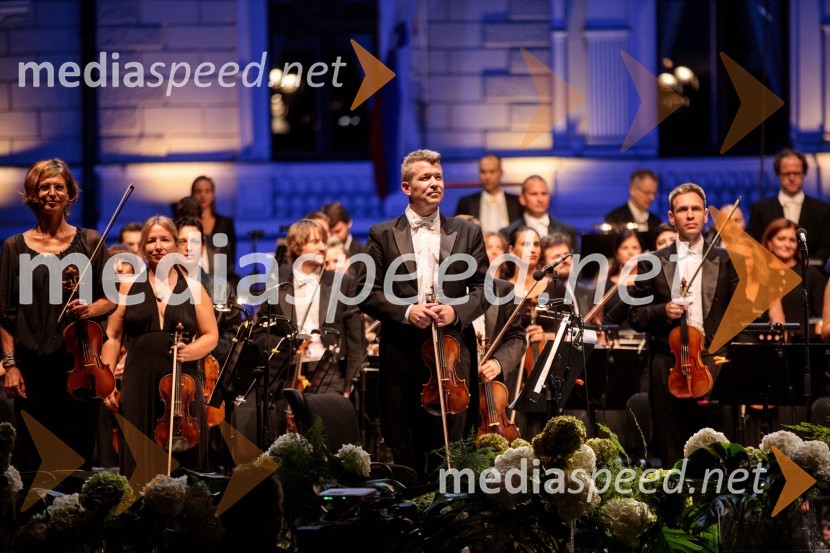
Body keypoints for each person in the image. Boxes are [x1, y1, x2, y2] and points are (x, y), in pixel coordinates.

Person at [359, 149, 487, 481]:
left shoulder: (468, 231)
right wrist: (405, 311)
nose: (434, 183)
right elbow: (366, 291)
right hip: (402, 353)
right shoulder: (382, 234)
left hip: (452, 355)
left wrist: (455, 311)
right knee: (406, 445)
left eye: (438, 177)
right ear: (406, 187)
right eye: (425, 178)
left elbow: (484, 288)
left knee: (452, 449)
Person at [0, 158, 115, 472]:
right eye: (44, 187)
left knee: (77, 459)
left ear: (70, 195)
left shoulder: (91, 242)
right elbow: (5, 315)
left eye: (58, 187)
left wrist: (91, 308)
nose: (51, 192)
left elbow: (111, 298)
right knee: (33, 461)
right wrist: (11, 365)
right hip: (31, 369)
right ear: (33, 195)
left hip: (77, 366)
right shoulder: (13, 247)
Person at [102, 216, 218, 480]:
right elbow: (112, 335)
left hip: (182, 387)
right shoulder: (128, 286)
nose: (158, 246)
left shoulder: (195, 288)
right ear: (142, 248)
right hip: (138, 382)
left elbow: (211, 335)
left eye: (164, 239)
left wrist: (191, 351)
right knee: (138, 461)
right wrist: (106, 379)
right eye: (151, 240)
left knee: (184, 465)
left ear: (176, 245)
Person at [630, 183, 738, 466]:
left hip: (714, 362)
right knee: (672, 453)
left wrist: (725, 355)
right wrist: (662, 310)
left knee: (718, 454)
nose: (689, 215)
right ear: (671, 216)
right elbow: (637, 316)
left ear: (705, 215)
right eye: (682, 210)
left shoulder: (727, 261)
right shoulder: (651, 262)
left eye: (695, 209)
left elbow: (740, 315)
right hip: (668, 366)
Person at [267, 219, 363, 400]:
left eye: (323, 241)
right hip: (289, 373)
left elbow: (355, 338)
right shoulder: (276, 282)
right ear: (297, 247)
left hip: (330, 373)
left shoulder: (342, 283)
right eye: (314, 242)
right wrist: (287, 346)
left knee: (323, 426)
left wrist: (349, 383)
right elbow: (262, 334)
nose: (322, 247)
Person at [746, 148, 830, 263]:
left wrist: (801, 266)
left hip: (810, 275)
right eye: (786, 174)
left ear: (804, 174)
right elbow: (753, 245)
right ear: (778, 175)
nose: (792, 178)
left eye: (796, 173)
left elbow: (826, 248)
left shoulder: (822, 209)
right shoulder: (760, 209)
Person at [761, 218, 825, 341]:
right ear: (769, 243)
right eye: (781, 239)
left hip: (804, 344)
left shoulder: (809, 273)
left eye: (792, 240)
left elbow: (821, 316)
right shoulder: (759, 274)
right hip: (767, 343)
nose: (787, 245)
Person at [500, 175, 579, 249]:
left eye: (544, 194)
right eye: (534, 194)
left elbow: (575, 262)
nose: (540, 199)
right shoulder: (508, 233)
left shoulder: (568, 231)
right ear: (522, 199)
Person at [455, 154, 522, 234]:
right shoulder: (466, 203)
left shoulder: (516, 202)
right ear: (478, 174)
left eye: (492, 171)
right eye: (483, 172)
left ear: (501, 173)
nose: (487, 177)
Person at [191, 176, 238, 280]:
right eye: (198, 191)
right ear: (192, 194)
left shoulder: (225, 223)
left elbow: (231, 257)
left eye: (207, 191)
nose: (203, 195)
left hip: (221, 278)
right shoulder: (188, 224)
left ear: (213, 194)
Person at [604, 169, 662, 248]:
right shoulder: (614, 218)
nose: (652, 198)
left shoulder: (656, 221)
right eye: (647, 193)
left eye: (654, 193)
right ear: (633, 190)